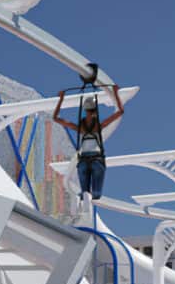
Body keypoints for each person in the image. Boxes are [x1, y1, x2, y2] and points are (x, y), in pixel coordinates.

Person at [53, 74, 129, 204]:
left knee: (85, 193)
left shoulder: (80, 128)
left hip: (84, 160)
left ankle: (84, 201)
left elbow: (56, 118)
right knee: (96, 193)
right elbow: (120, 111)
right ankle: (87, 201)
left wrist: (61, 99)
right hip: (96, 160)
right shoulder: (98, 127)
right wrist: (115, 93)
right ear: (94, 112)